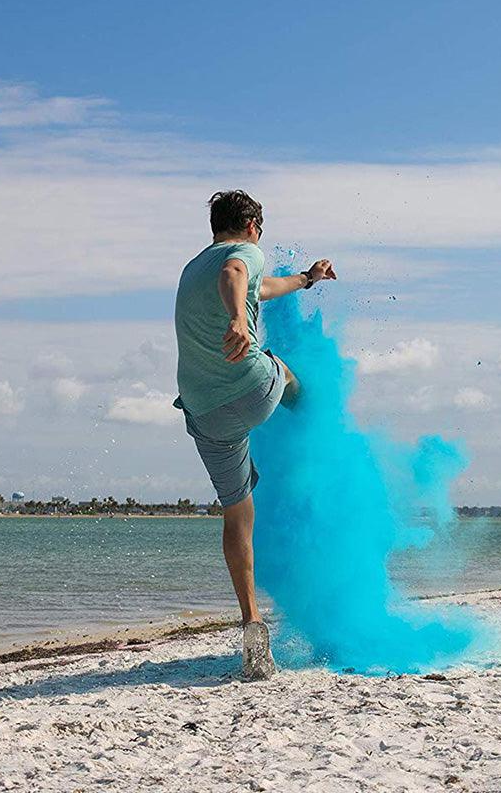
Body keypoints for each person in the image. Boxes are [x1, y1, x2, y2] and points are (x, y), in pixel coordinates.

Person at [173, 190, 336, 680]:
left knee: (238, 512)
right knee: (285, 375)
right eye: (259, 229)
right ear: (250, 226)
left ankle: (252, 625)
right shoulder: (240, 255)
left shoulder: (190, 268)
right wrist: (240, 322)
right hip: (251, 385)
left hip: (205, 413)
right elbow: (237, 278)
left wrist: (307, 280)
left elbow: (259, 287)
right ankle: (311, 419)